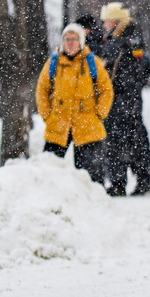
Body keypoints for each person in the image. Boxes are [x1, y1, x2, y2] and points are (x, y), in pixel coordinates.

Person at [35, 23, 113, 186]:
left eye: (74, 39)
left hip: (88, 123)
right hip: (58, 123)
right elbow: (42, 90)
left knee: (91, 174)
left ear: (82, 42)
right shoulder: (53, 63)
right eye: (67, 39)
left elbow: (106, 90)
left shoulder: (93, 62)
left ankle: (93, 203)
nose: (70, 43)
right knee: (48, 171)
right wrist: (47, 115)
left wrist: (99, 113)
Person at [96, 2, 150, 197]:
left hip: (122, 99)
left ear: (115, 20)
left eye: (106, 19)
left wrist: (119, 84)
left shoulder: (124, 41)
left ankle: (123, 182)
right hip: (125, 99)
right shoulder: (124, 40)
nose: (104, 23)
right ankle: (133, 180)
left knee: (122, 141)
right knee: (130, 140)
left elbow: (138, 70)